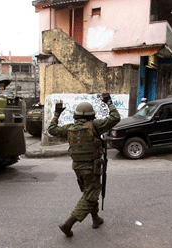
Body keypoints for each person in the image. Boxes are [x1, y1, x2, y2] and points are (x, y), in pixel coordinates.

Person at [48, 92, 120, 237]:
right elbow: (115, 117)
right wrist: (109, 102)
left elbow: (52, 130)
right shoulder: (95, 126)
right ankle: (68, 224)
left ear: (76, 115)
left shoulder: (69, 128)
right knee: (90, 195)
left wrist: (57, 114)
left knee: (89, 192)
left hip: (78, 168)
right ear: (91, 115)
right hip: (91, 168)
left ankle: (95, 218)